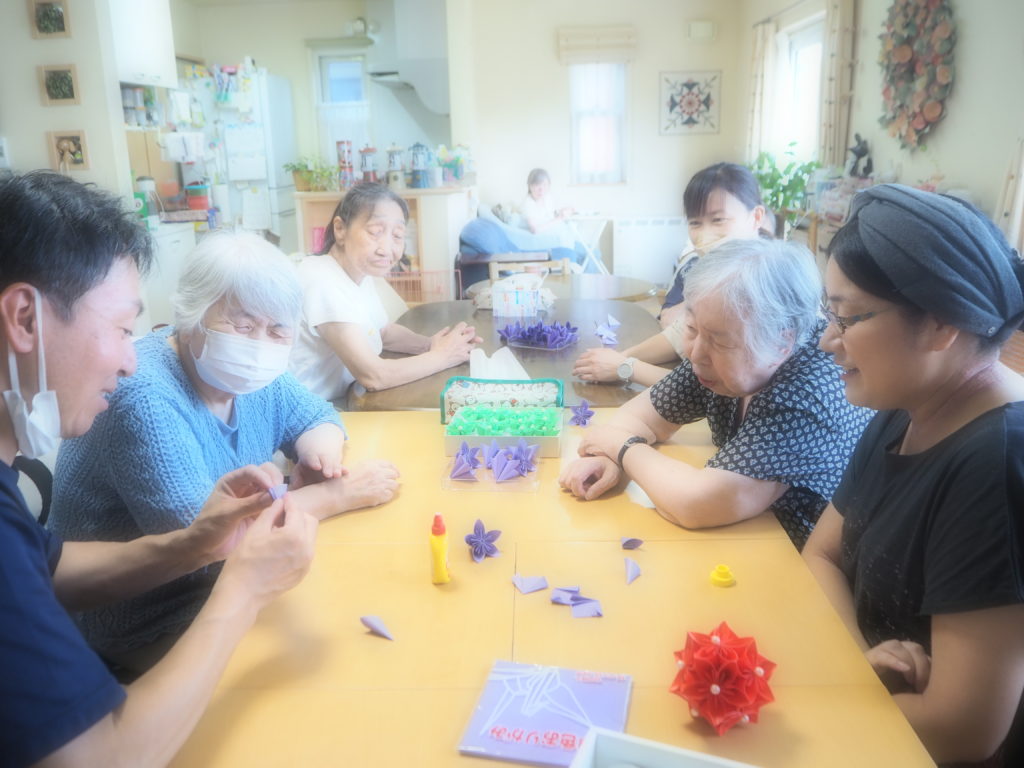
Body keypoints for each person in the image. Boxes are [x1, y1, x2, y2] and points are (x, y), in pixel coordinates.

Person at [0, 171, 317, 767]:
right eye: (121, 329)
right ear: (24, 319)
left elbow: (50, 564)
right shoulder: (146, 390)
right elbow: (100, 757)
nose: (129, 361)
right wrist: (244, 590)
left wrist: (194, 543)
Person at [48, 229, 399, 673]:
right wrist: (336, 495)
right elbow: (204, 536)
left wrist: (321, 458)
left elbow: (316, 416)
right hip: (141, 618)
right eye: (242, 325)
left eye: (277, 330)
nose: (260, 343)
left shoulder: (255, 375)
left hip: (221, 585)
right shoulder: (143, 397)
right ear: (191, 316)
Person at [802, 184, 1024, 765]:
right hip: (872, 711)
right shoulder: (906, 406)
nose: (827, 341)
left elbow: (960, 731)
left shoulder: (995, 465)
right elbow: (820, 554)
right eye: (829, 314)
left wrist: (817, 705)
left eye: (847, 317)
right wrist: (860, 668)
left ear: (940, 325)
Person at [559, 238, 872, 549]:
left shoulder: (806, 395)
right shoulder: (720, 348)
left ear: (781, 342)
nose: (695, 354)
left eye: (720, 341)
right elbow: (642, 418)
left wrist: (621, 448)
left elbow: (695, 503)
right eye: (691, 328)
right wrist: (611, 459)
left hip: (796, 557)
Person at [573, 162, 767, 388]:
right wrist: (619, 358)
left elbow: (712, 391)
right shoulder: (721, 276)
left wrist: (624, 367)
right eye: (695, 223)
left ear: (756, 217)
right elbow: (678, 335)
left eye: (718, 220)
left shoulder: (762, 286)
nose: (705, 234)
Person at [289, 183, 481, 401]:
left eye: (397, 235)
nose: (387, 249)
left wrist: (430, 345)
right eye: (375, 232)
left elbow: (382, 332)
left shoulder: (359, 273)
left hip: (345, 398)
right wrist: (443, 356)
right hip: (313, 411)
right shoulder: (321, 279)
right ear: (340, 229)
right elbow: (373, 376)